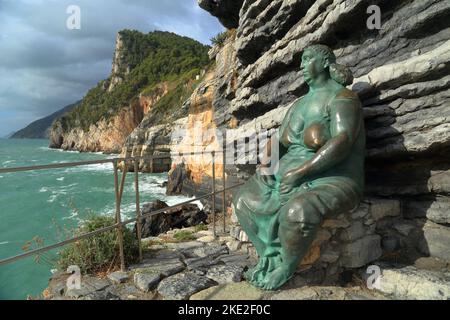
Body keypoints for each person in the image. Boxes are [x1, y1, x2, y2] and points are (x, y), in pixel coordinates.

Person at [232, 44, 366, 290]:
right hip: (287, 175)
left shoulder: (344, 98)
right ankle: (269, 256)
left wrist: (300, 173)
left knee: (298, 211)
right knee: (242, 199)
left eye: (306, 59)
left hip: (333, 178)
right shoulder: (298, 105)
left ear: (324, 61)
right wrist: (265, 165)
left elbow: (343, 140)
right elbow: (278, 141)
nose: (301, 66)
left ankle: (286, 266)